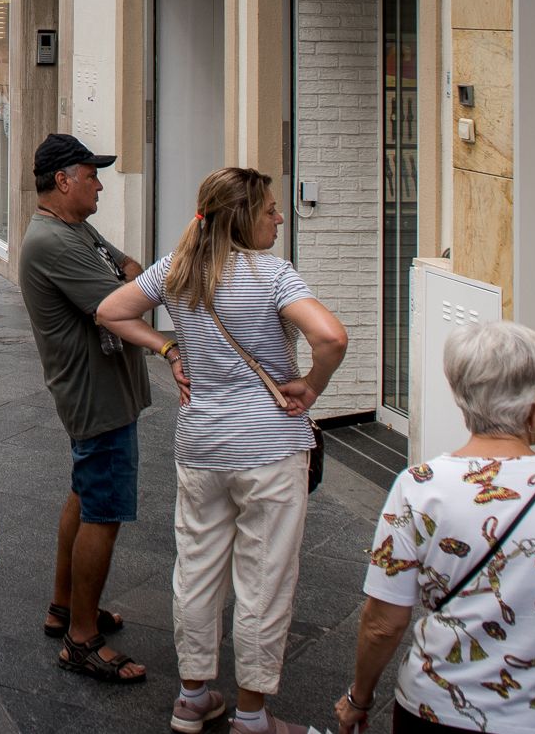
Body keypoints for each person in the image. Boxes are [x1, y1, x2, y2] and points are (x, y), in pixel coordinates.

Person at [97, 167, 350, 734]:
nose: (279, 218)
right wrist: (312, 386)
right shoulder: (273, 274)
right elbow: (331, 337)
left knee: (196, 568)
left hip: (202, 447)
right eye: (270, 210)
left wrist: (168, 349)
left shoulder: (178, 268)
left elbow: (111, 311)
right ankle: (252, 715)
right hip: (270, 449)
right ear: (243, 218)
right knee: (264, 579)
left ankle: (192, 697)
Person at [334, 324, 535, 734]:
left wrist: (359, 697)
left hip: (437, 710)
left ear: (462, 400)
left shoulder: (419, 487)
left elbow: (383, 624)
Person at [20, 133, 152, 686]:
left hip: (105, 389)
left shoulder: (75, 229)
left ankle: (66, 607)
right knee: (103, 508)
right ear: (62, 181)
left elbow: (131, 268)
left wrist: (127, 280)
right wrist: (161, 338)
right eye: (91, 175)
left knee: (84, 491)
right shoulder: (53, 240)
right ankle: (81, 640)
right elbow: (121, 301)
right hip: (95, 395)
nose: (100, 184)